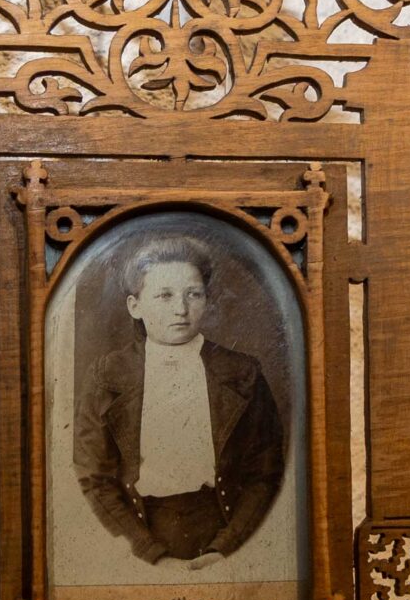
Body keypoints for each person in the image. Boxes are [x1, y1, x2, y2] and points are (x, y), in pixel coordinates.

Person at [71, 233, 285, 569]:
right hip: (136, 532)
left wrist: (226, 547)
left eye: (193, 294)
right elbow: (94, 477)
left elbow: (264, 473)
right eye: (164, 295)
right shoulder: (106, 376)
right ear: (135, 306)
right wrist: (147, 552)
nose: (181, 309)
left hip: (225, 527)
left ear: (207, 300)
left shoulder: (243, 373)